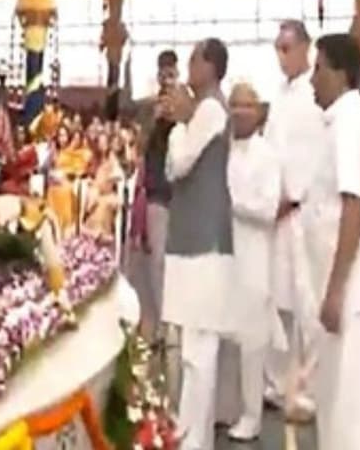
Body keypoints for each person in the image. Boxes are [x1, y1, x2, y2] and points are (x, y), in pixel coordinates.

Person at [306, 33, 360, 450]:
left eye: (318, 68)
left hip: (355, 290)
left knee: (352, 409)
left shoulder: (352, 123)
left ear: (341, 74)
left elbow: (354, 206)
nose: (312, 78)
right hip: (340, 282)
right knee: (335, 400)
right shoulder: (338, 122)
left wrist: (337, 290)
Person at [160, 38, 234, 450]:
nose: (187, 67)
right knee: (194, 350)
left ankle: (193, 441)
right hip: (196, 242)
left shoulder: (209, 110)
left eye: (193, 60)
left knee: (199, 353)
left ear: (211, 67)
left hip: (204, 245)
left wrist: (179, 124)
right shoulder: (203, 110)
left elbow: (179, 164)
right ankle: (193, 437)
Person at [263, 19, 325, 419]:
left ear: (305, 48)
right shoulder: (279, 96)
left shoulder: (314, 96)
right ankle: (276, 383)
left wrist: (292, 196)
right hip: (274, 213)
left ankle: (309, 389)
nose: (282, 56)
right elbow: (271, 152)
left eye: (287, 48)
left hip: (303, 214)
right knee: (275, 300)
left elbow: (315, 156)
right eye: (277, 49)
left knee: (307, 304)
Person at [222, 81, 283, 442]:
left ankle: (252, 415)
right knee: (226, 337)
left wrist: (233, 203)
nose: (239, 111)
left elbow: (268, 208)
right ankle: (229, 410)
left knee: (252, 342)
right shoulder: (223, 150)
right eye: (234, 104)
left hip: (255, 258)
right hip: (225, 255)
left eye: (246, 105)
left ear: (259, 112)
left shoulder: (267, 155)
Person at [127, 49, 179, 342]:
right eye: (163, 72)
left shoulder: (187, 105)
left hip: (183, 195)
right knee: (157, 260)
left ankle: (177, 321)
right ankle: (161, 321)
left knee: (179, 261)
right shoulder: (149, 108)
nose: (167, 78)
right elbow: (140, 146)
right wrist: (154, 120)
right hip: (157, 192)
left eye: (171, 72)